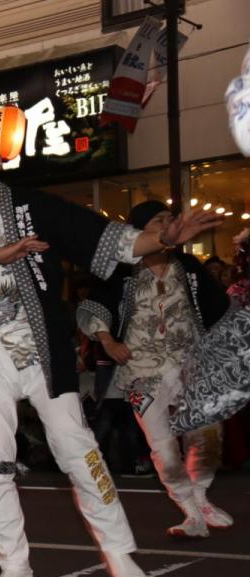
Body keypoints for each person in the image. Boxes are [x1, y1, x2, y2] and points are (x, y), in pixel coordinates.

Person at [0, 117, 221, 577]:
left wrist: (165, 239)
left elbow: (111, 241)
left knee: (78, 448)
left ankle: (118, 552)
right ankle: (15, 566)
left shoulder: (36, 206)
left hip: (41, 353)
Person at [79, 200, 232, 538]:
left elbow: (220, 310)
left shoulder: (188, 266)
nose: (168, 226)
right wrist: (107, 340)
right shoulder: (121, 270)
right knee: (162, 445)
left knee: (207, 434)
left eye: (170, 219)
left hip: (192, 364)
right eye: (159, 221)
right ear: (140, 232)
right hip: (141, 370)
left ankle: (202, 496)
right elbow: (93, 308)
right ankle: (189, 510)